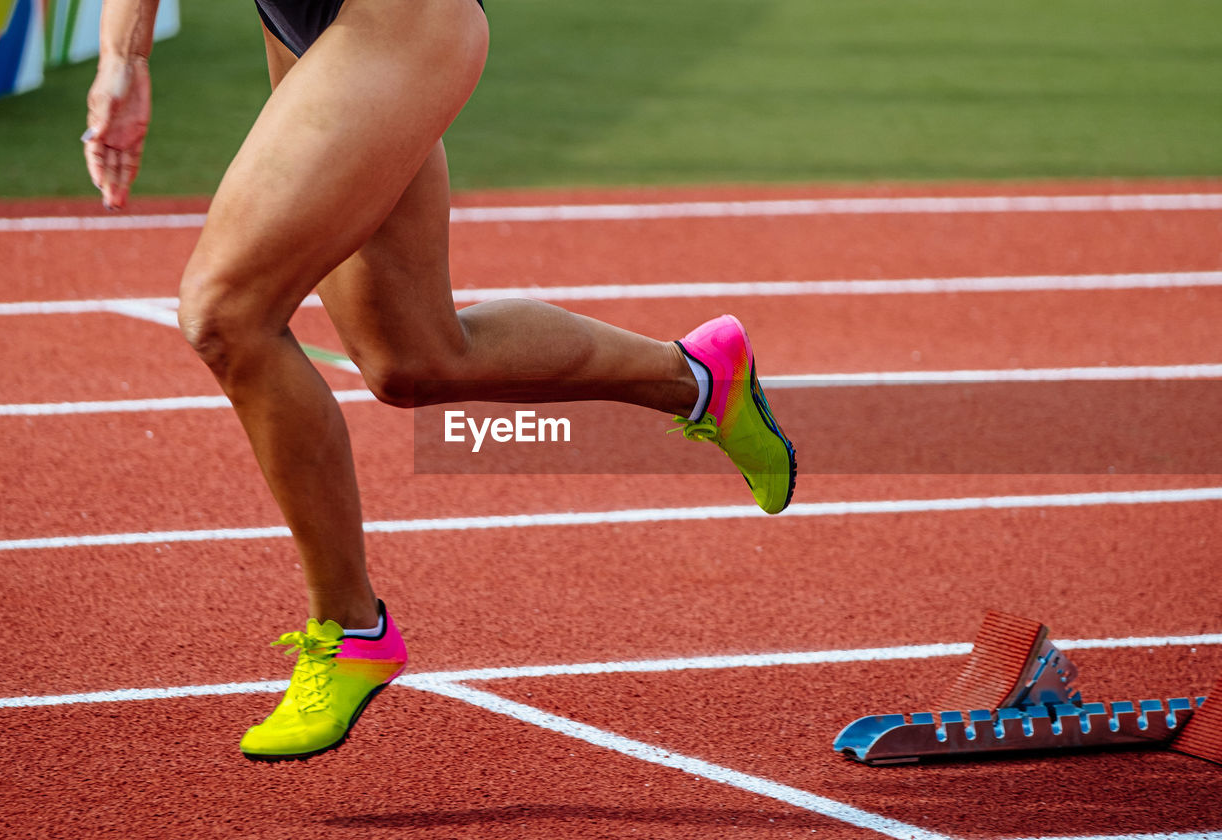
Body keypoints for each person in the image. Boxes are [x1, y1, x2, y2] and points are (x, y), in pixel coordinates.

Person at [83, 0, 796, 762]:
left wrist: (129, 58)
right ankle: (698, 376)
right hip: (301, 20)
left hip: (397, 14)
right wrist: (122, 56)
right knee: (412, 358)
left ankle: (350, 629)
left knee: (225, 315)